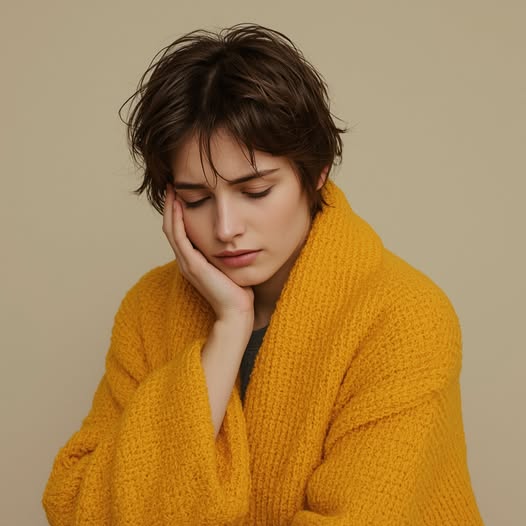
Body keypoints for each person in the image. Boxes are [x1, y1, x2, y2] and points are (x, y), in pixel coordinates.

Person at [42, 23, 484, 525]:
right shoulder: (149, 310)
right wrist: (229, 330)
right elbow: (77, 507)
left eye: (255, 192)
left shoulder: (406, 319)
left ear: (316, 173)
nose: (226, 228)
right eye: (196, 199)